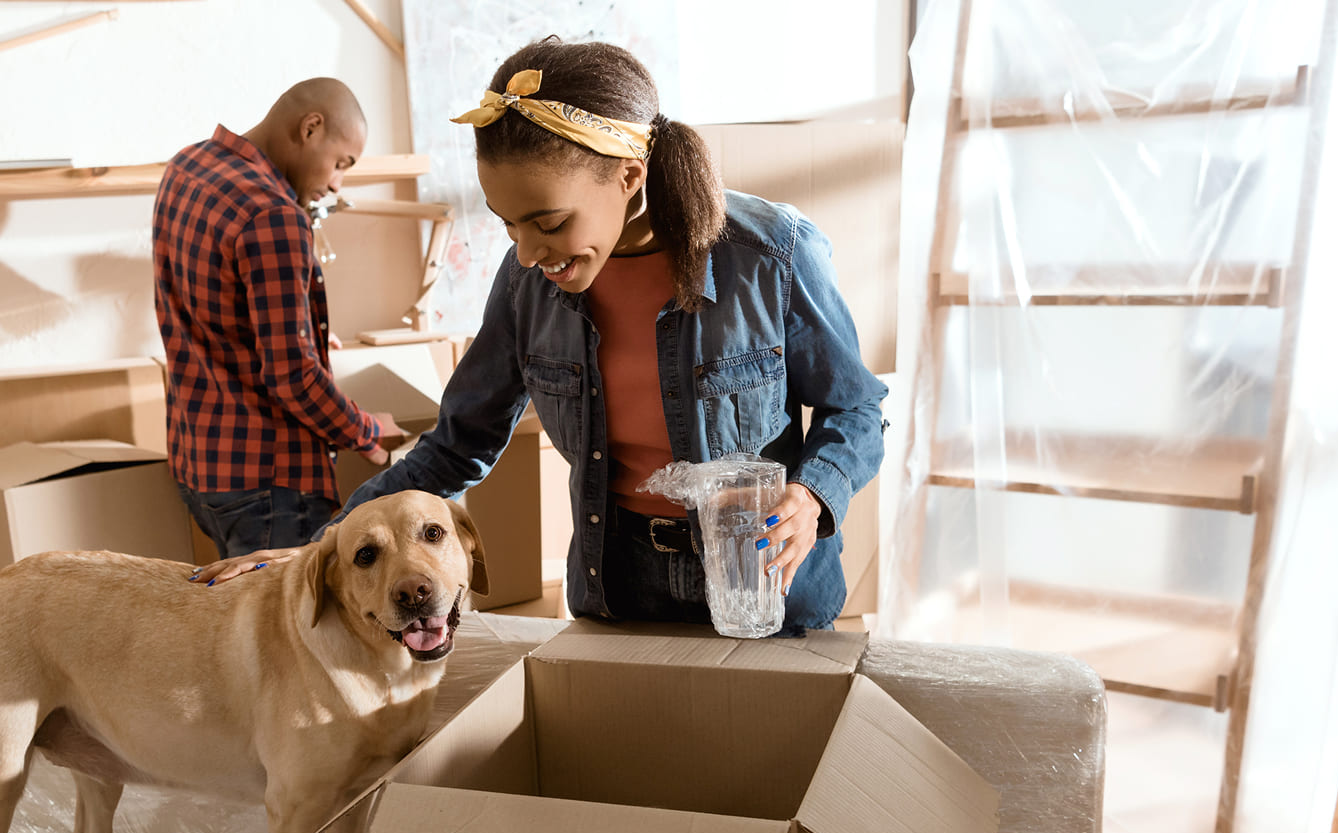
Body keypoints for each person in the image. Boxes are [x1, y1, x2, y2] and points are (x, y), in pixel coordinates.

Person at [195, 39, 886, 635]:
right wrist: (315, 548)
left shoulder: (769, 254)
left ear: (629, 176)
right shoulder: (529, 284)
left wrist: (813, 495)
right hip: (620, 585)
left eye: (549, 223)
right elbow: (458, 445)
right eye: (508, 225)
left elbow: (856, 408)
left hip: (765, 585)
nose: (527, 253)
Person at [153, 77, 407, 559]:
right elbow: (293, 377)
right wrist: (366, 433)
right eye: (341, 163)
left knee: (244, 624)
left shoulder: (187, 165)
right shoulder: (273, 215)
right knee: (283, 633)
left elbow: (207, 307)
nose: (336, 183)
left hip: (200, 464)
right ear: (311, 127)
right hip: (269, 484)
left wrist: (302, 333)